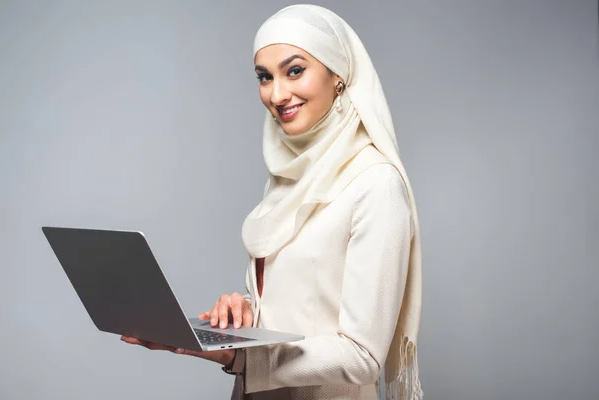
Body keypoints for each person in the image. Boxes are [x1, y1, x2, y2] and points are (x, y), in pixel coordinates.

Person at [122, 4, 423, 400]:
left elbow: (363, 354)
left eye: (294, 70)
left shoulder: (375, 183)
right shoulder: (289, 177)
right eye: (265, 77)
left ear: (338, 75)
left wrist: (239, 358)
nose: (277, 94)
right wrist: (242, 313)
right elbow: (304, 301)